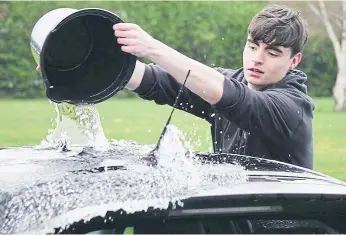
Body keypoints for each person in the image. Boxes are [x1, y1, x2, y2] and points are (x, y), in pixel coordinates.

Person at [37, 4, 315, 169]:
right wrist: (72, 68)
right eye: (253, 46)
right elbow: (153, 81)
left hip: (283, 223)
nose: (257, 59)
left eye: (273, 53)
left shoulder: (292, 109)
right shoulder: (229, 82)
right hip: (235, 218)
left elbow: (236, 100)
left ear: (295, 60)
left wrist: (154, 48)